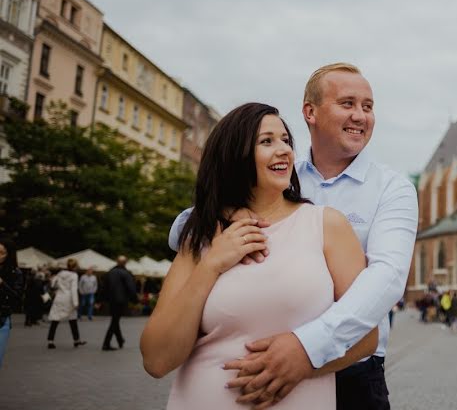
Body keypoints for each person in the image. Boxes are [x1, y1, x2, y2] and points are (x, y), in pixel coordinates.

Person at [167, 64, 418, 409]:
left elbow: (387, 279)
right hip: (259, 359)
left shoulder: (393, 188)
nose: (360, 115)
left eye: (368, 106)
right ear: (309, 112)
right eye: (348, 103)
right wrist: (229, 213)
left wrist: (308, 346)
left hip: (353, 370)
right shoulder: (278, 172)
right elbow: (184, 230)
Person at [142, 103, 377, 409]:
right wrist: (211, 264)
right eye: (267, 141)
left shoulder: (326, 225)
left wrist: (305, 359)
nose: (284, 150)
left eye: (285, 140)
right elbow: (156, 360)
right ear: (234, 155)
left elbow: (366, 336)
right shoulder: (202, 232)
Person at [46, 259, 86, 349]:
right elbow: (73, 289)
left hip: (59, 297)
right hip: (69, 299)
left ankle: (50, 341)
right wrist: (76, 302)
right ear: (75, 267)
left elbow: (52, 284)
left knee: (55, 319)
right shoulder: (74, 275)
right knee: (72, 320)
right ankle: (76, 340)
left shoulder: (60, 273)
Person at [103, 256, 137, 350]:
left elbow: (104, 287)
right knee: (115, 321)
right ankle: (106, 343)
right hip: (121, 300)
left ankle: (120, 340)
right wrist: (135, 300)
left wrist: (103, 299)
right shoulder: (126, 273)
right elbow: (131, 288)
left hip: (111, 300)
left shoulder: (110, 272)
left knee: (115, 319)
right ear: (125, 263)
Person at [0, 238, 24, 368]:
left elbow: (17, 298)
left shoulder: (15, 273)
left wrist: (2, 284)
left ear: (9, 255)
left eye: (2, 253)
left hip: (2, 320)